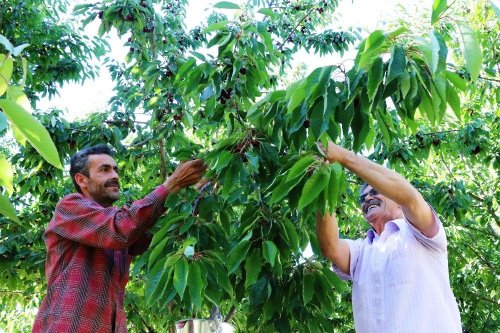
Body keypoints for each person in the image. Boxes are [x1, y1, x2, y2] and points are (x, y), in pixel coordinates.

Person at [32, 144, 206, 333]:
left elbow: (156, 233)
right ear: (81, 180)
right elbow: (122, 229)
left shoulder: (118, 221)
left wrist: (191, 199)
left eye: (115, 170)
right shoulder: (69, 206)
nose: (114, 175)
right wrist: (173, 184)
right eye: (104, 170)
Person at [315, 141, 461, 333]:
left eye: (375, 192)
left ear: (396, 200)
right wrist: (321, 183)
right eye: (363, 198)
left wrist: (343, 156)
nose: (367, 198)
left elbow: (410, 198)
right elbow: (330, 247)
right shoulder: (362, 252)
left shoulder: (419, 233)